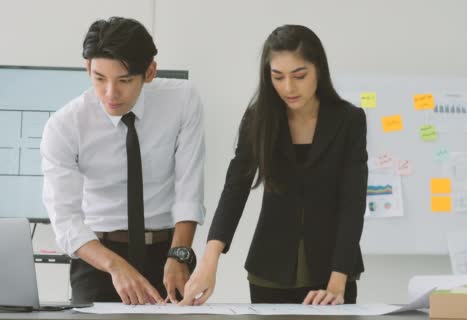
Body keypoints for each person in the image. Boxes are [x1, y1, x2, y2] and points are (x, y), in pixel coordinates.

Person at [180, 24, 367, 305]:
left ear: (319, 70)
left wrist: (337, 282)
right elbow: (235, 189)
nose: (288, 88)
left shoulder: (348, 120)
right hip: (270, 268)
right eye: (277, 77)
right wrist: (209, 261)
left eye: (299, 75)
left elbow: (353, 203)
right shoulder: (259, 119)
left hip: (333, 271)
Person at [40, 17, 205, 305]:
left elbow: (189, 189)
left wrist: (179, 254)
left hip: (168, 254)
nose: (110, 94)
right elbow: (65, 219)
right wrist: (116, 266)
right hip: (98, 258)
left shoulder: (182, 101)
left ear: (150, 72)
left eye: (125, 80)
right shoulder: (64, 125)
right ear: (88, 68)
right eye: (99, 78)